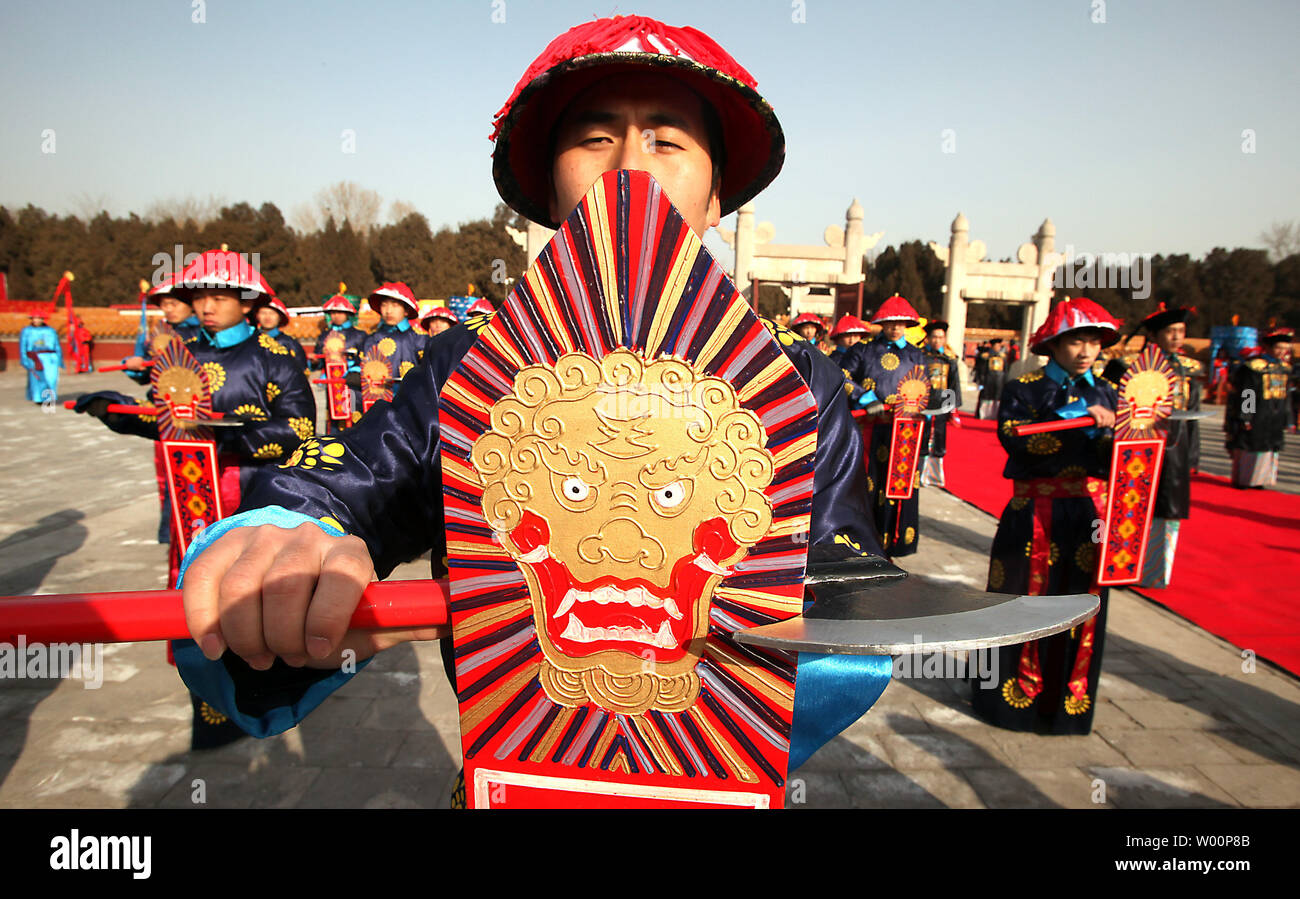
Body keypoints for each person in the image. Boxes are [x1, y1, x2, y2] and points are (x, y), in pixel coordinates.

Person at [170, 16, 890, 767]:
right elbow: (352, 485)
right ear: (550, 187)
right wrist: (287, 537)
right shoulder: (468, 366)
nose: (628, 168)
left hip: (722, 778)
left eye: (667, 139)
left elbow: (847, 607)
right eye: (595, 137)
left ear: (718, 196)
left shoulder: (798, 381)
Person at [73, 248, 317, 749]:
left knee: (255, 596)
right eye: (198, 295)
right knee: (195, 597)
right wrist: (113, 411)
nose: (206, 304)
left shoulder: (275, 355)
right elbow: (160, 418)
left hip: (255, 496)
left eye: (219, 294)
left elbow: (300, 429)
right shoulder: (179, 356)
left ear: (246, 300)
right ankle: (209, 708)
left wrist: (223, 434)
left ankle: (267, 694)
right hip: (191, 499)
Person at [971, 297, 1119, 734]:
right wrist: (1077, 419)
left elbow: (1110, 460)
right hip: (1032, 512)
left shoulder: (1106, 391)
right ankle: (1004, 701)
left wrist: (1122, 433)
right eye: (1077, 339)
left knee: (1078, 605)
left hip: (1086, 516)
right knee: (1016, 601)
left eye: (1094, 340)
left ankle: (1063, 705)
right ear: (1054, 343)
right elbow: (1015, 439)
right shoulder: (1026, 388)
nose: (1087, 349)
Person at [1105, 304, 1201, 587]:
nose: (1176, 337)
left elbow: (1192, 416)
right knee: (1131, 505)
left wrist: (1193, 454)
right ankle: (1122, 566)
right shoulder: (1128, 366)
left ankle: (1155, 572)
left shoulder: (1188, 370)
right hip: (1137, 447)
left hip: (1175, 449)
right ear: (1154, 334)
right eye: (1170, 331)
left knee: (1168, 509)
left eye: (1181, 332)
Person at [841, 294, 928, 556]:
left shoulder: (917, 355)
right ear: (881, 323)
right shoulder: (863, 350)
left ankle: (894, 542)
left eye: (901, 322)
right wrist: (865, 398)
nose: (895, 327)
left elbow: (927, 390)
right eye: (890, 322)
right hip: (868, 428)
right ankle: (862, 541)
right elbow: (841, 376)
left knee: (897, 485)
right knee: (867, 481)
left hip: (904, 433)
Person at [1225, 326, 1292, 488]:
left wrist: (1288, 418)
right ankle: (1245, 479)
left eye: (1285, 348)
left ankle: (1261, 480)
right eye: (1278, 347)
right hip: (1258, 414)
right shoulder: (1254, 367)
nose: (1281, 351)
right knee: (1251, 446)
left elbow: (1287, 394)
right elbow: (1248, 392)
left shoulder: (1284, 368)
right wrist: (1246, 416)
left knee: (1269, 448)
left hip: (1275, 415)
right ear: (1267, 347)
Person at [312, 289, 369, 433]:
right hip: (331, 382)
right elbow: (318, 358)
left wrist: (354, 372)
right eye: (332, 312)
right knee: (332, 416)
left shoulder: (359, 335)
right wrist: (314, 362)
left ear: (348, 314)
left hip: (351, 382)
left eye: (339, 312)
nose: (335, 315)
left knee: (354, 414)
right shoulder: (324, 335)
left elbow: (364, 358)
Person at [362, 281, 427, 396]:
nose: (388, 311)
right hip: (376, 399)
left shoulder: (419, 338)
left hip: (409, 400)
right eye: (384, 305)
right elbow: (360, 364)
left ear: (406, 310)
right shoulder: (371, 338)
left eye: (395, 305)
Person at [919, 319, 961, 488]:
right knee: (922, 438)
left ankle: (934, 477)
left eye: (941, 337)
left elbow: (953, 384)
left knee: (939, 438)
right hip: (923, 405)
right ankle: (920, 474)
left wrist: (953, 408)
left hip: (942, 405)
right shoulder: (920, 357)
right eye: (934, 337)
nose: (937, 340)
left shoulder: (949, 359)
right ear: (928, 338)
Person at [253, 294, 310, 377]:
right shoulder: (251, 341)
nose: (267, 317)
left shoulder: (290, 343)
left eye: (272, 313)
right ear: (257, 316)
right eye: (263, 313)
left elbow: (301, 370)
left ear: (279, 317)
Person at [19, 311, 62, 405]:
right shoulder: (26, 331)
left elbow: (57, 345)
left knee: (52, 378)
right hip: (34, 357)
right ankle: (39, 398)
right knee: (38, 378)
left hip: (50, 357)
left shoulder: (51, 331)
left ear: (43, 319)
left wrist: (59, 359)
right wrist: (24, 359)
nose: (37, 320)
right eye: (35, 318)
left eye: (39, 318)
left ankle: (50, 398)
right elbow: (22, 346)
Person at [978, 337, 1008, 419]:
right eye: (996, 346)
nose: (998, 348)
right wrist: (981, 380)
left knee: (998, 397)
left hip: (999, 380)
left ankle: (995, 414)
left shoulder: (1003, 357)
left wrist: (1005, 380)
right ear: (992, 346)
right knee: (986, 396)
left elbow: (1005, 370)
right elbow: (982, 369)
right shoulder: (986, 356)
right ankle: (984, 414)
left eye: (999, 346)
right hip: (988, 379)